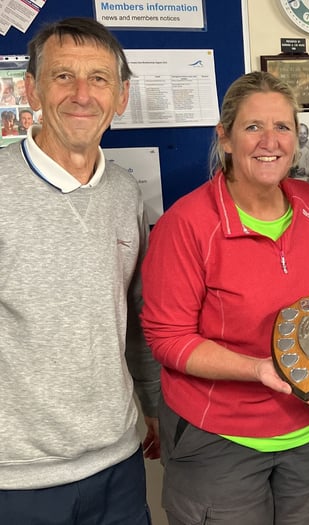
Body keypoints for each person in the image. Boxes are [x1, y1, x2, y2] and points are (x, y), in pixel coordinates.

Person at [140, 71, 309, 525]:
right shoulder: (187, 224)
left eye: (283, 127)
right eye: (253, 127)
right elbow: (167, 338)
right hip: (219, 439)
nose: (269, 141)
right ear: (226, 138)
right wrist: (258, 370)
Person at [0, 17, 160, 524]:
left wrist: (150, 403)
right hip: (18, 476)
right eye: (63, 76)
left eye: (99, 79)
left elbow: (134, 311)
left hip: (117, 458)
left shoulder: (124, 192)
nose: (82, 94)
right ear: (32, 88)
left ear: (122, 95)